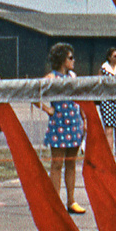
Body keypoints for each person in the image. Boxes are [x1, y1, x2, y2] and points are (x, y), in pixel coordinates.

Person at [38, 43, 86, 215]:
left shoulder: (73, 76)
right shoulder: (51, 78)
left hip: (74, 122)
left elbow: (79, 98)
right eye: (70, 58)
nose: (74, 61)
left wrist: (83, 119)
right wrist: (47, 109)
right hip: (58, 123)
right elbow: (34, 94)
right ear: (61, 60)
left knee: (71, 163)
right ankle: (55, 202)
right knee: (57, 163)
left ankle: (71, 200)